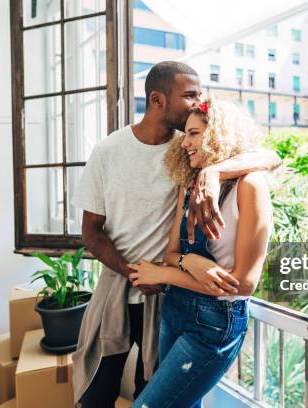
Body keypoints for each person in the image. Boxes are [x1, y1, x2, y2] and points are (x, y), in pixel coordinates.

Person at [70, 62, 280, 407]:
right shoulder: (112, 151)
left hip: (169, 296)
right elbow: (90, 232)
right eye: (190, 95)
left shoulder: (193, 150)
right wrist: (134, 272)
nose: (198, 100)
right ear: (157, 100)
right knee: (96, 390)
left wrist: (214, 172)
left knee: (149, 390)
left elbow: (270, 157)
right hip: (123, 287)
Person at [128, 98, 273, 408]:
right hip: (175, 309)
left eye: (193, 133)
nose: (185, 143)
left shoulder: (250, 186)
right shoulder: (190, 184)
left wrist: (165, 274)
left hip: (215, 323)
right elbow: (171, 253)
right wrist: (188, 261)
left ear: (219, 134)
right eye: (185, 134)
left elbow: (243, 285)